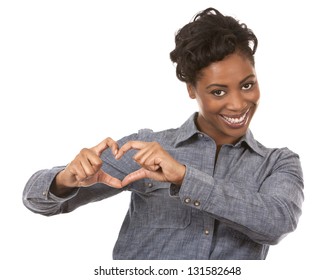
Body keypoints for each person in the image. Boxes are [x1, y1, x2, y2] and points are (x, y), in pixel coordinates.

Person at [23, 7, 304, 260]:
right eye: (218, 91)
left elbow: (277, 223)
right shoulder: (147, 147)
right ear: (191, 90)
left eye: (247, 85)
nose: (238, 103)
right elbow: (36, 201)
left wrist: (185, 177)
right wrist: (64, 180)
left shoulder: (278, 163)